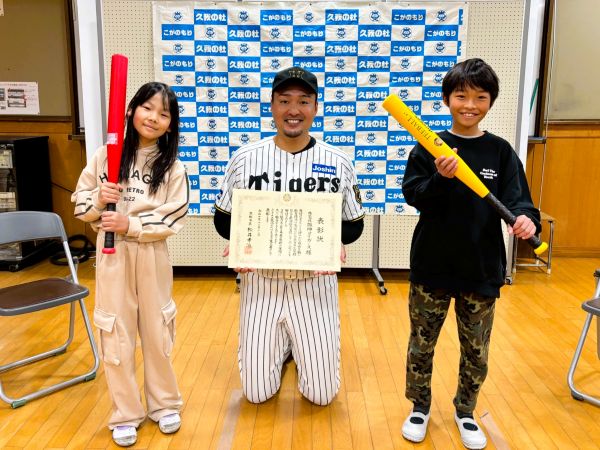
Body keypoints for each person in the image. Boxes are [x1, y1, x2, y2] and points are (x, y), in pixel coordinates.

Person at [400, 58, 541, 449]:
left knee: (476, 350)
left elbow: (520, 202)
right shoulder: (429, 146)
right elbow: (414, 195)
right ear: (447, 99)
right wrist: (440, 178)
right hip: (432, 264)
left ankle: (465, 410)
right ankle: (419, 407)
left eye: (480, 97)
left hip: (481, 267)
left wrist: (527, 221)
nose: (470, 105)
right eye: (461, 96)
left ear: (490, 101)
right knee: (421, 344)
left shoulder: (500, 152)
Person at [213, 67, 365, 406]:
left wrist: (335, 242)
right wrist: (239, 242)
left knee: (321, 395)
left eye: (303, 101)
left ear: (315, 107)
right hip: (261, 283)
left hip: (315, 284)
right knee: (257, 393)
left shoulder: (337, 160)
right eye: (284, 101)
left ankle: (297, 346)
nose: (293, 110)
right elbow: (223, 221)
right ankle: (284, 346)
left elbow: (353, 225)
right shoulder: (245, 158)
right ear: (272, 105)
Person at [72, 82, 189, 447]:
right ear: (131, 111)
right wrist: (98, 199)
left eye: (164, 114)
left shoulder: (173, 167)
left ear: (171, 124)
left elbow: (175, 215)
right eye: (147, 108)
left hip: (151, 254)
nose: (153, 118)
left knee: (157, 330)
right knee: (116, 334)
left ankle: (164, 404)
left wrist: (131, 224)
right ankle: (125, 413)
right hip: (113, 255)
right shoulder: (105, 157)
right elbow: (80, 205)